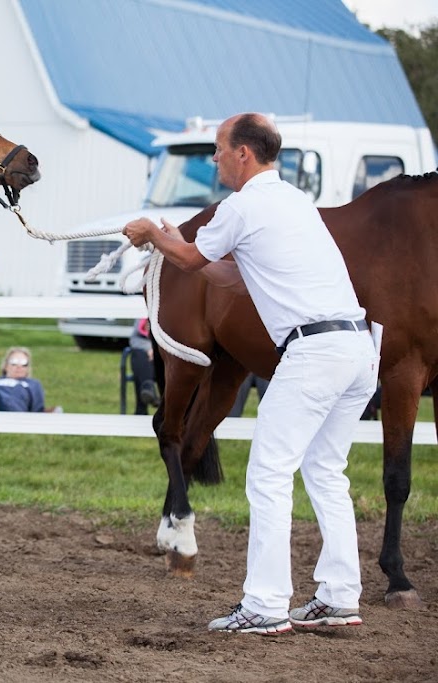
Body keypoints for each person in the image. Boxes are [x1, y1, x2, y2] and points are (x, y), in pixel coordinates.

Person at [124, 113, 378, 635]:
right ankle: (338, 596)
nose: (214, 158)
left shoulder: (243, 204)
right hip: (355, 348)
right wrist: (170, 241)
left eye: (218, 149)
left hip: (314, 352)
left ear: (243, 153)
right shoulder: (290, 201)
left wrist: (153, 232)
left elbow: (193, 259)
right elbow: (232, 277)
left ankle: (264, 605)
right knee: (326, 472)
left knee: (268, 473)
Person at [129, 318, 160, 415]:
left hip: (164, 358)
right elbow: (134, 340)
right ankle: (148, 388)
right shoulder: (141, 312)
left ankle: (141, 408)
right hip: (145, 359)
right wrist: (149, 348)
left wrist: (155, 349)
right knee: (139, 355)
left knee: (140, 358)